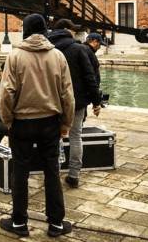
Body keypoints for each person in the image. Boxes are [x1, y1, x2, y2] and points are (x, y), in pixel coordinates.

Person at [0, 14, 75, 238]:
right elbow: (67, 95)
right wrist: (66, 123)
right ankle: (56, 223)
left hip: (21, 122)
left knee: (20, 172)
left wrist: (7, 121)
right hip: (50, 122)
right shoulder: (58, 56)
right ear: (44, 31)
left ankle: (19, 222)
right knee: (52, 171)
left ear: (26, 31)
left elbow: (6, 93)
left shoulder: (15, 56)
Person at [47, 20, 101, 189]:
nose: (75, 33)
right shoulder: (79, 49)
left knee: (53, 138)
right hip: (76, 101)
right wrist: (96, 101)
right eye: (73, 30)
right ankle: (73, 175)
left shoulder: (47, 49)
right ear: (66, 30)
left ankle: (53, 174)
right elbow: (90, 77)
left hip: (51, 101)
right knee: (75, 136)